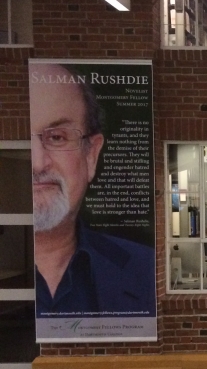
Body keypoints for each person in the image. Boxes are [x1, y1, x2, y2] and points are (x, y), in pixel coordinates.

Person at [30, 63, 155, 318]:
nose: (36, 161)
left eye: (57, 137)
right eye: (16, 138)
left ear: (91, 156)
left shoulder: (147, 270)